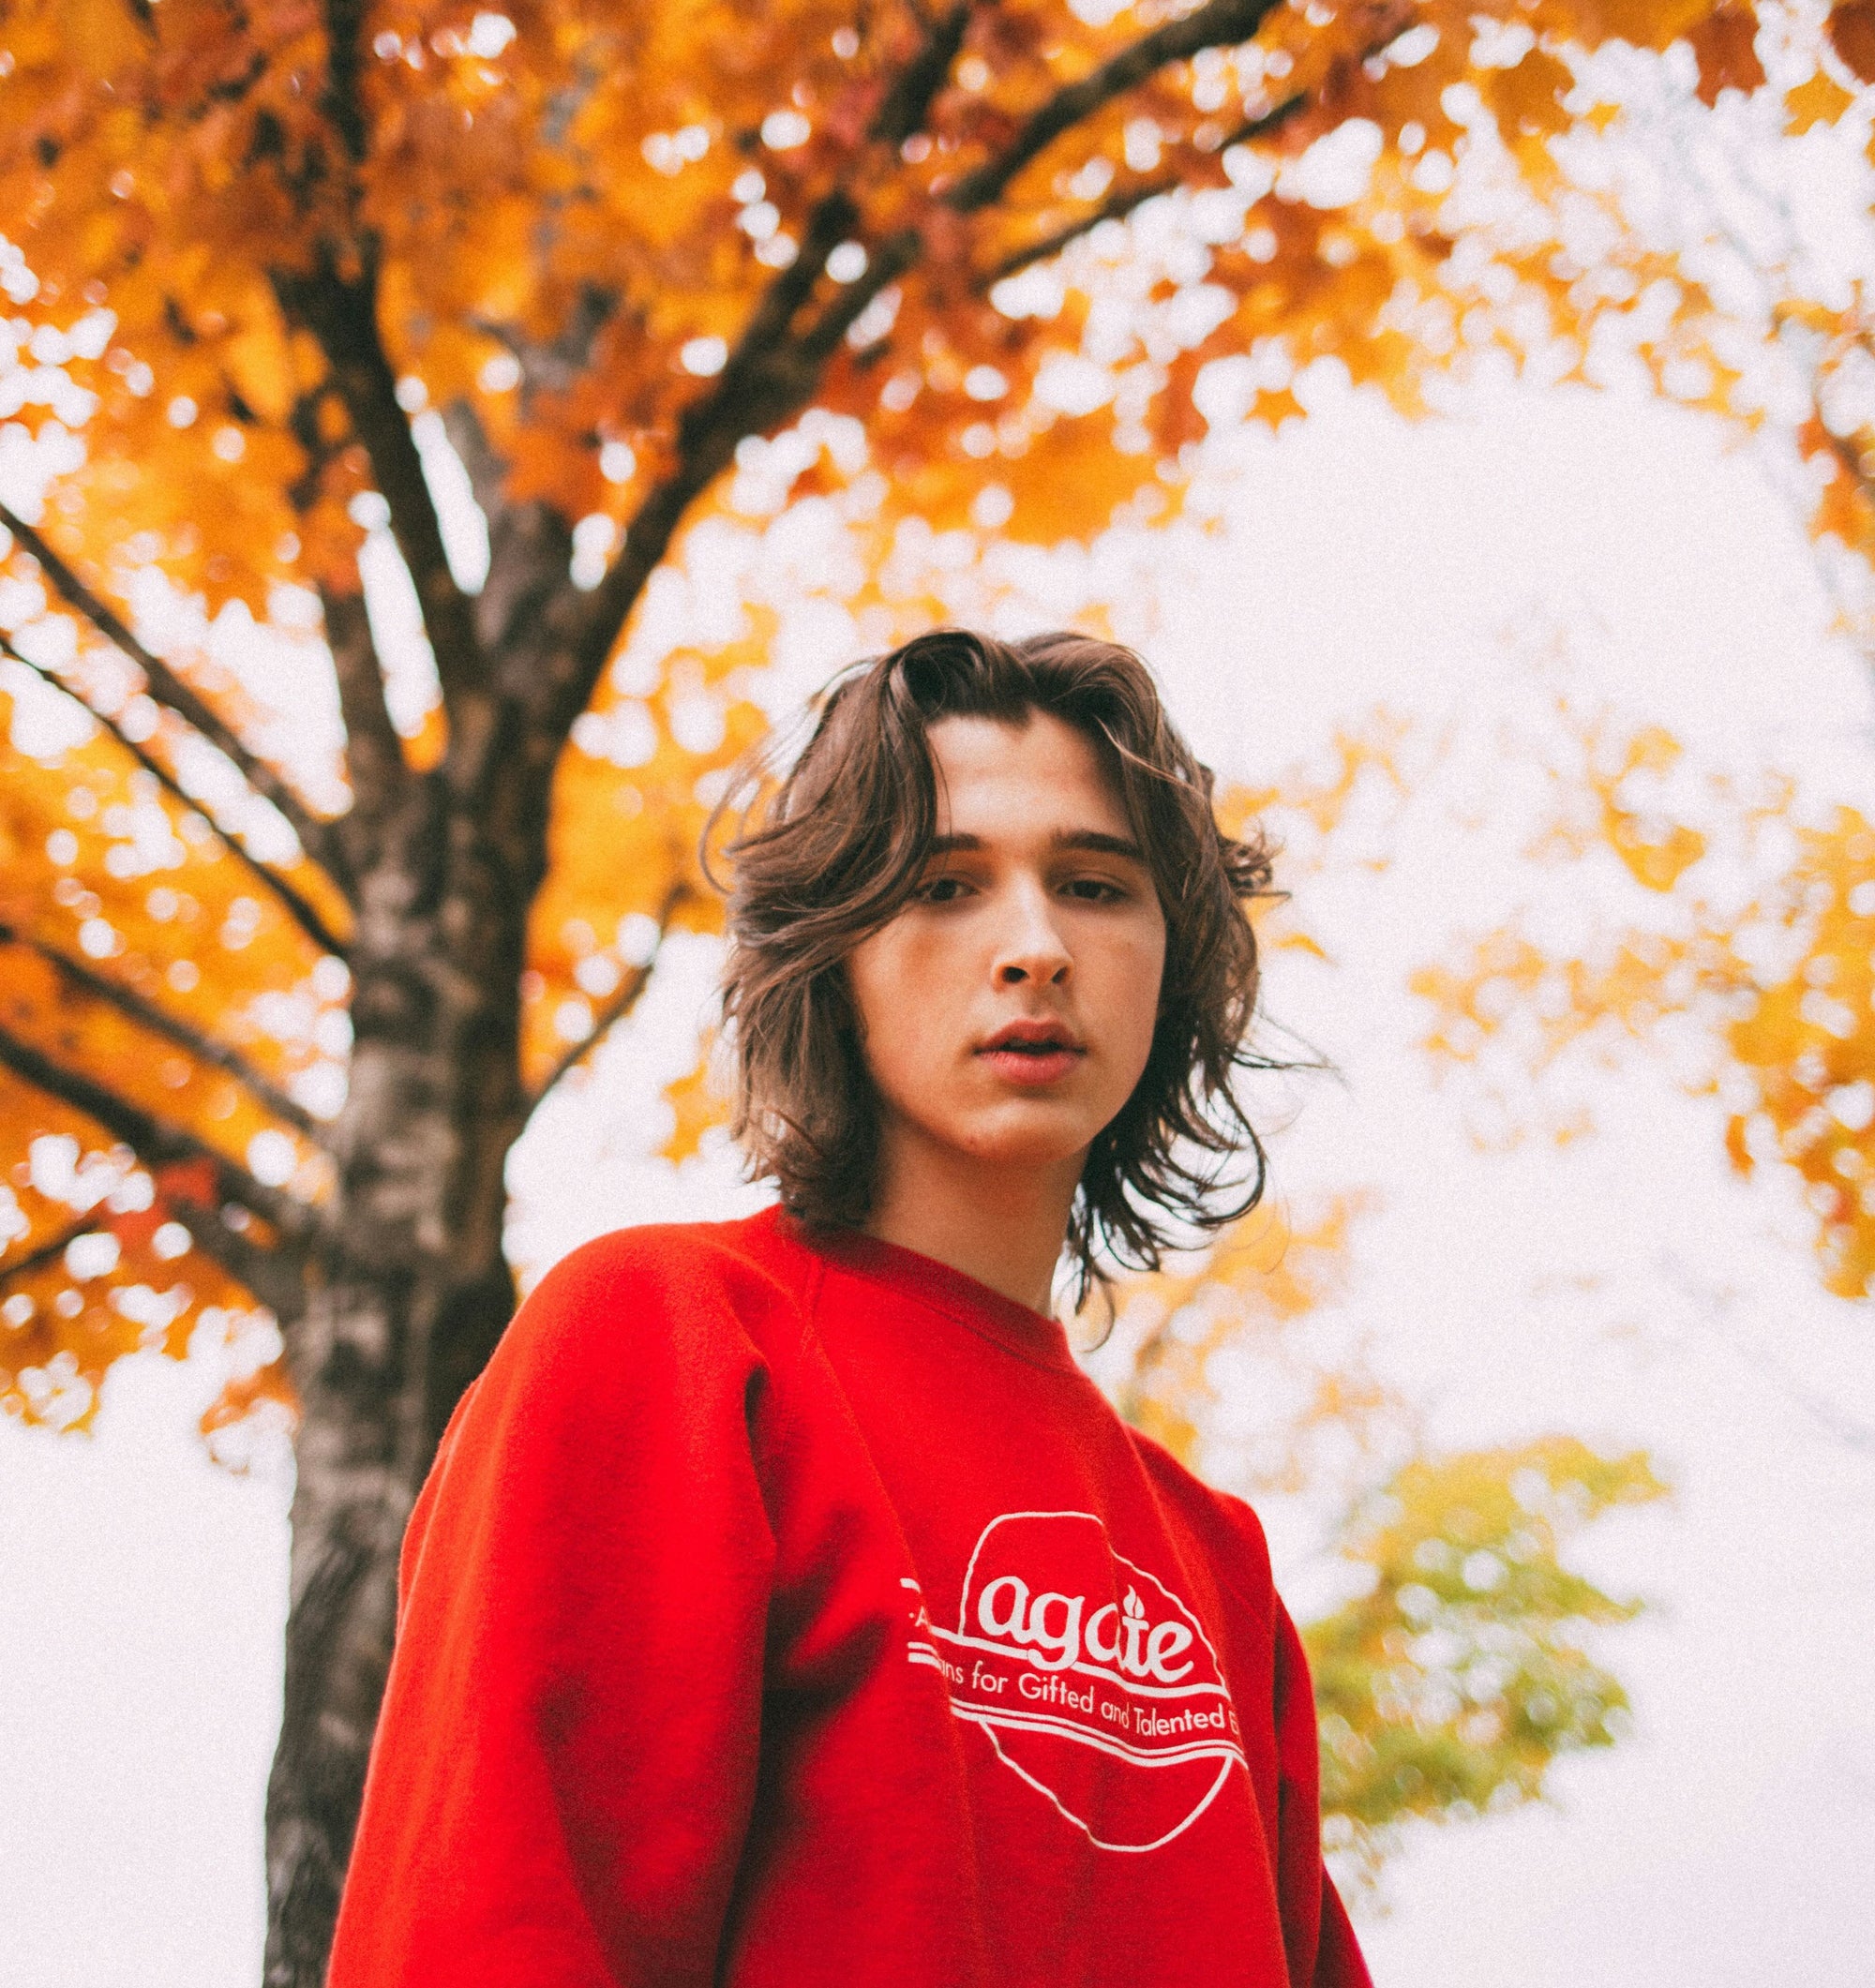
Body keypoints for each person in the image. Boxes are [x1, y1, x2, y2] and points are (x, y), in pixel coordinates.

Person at [327, 628, 1372, 1987]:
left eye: (1095, 884)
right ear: (834, 950)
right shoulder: (669, 1339)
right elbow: (495, 1941)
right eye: (945, 883)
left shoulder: (1213, 1561)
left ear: (1169, 959)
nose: (1036, 946)